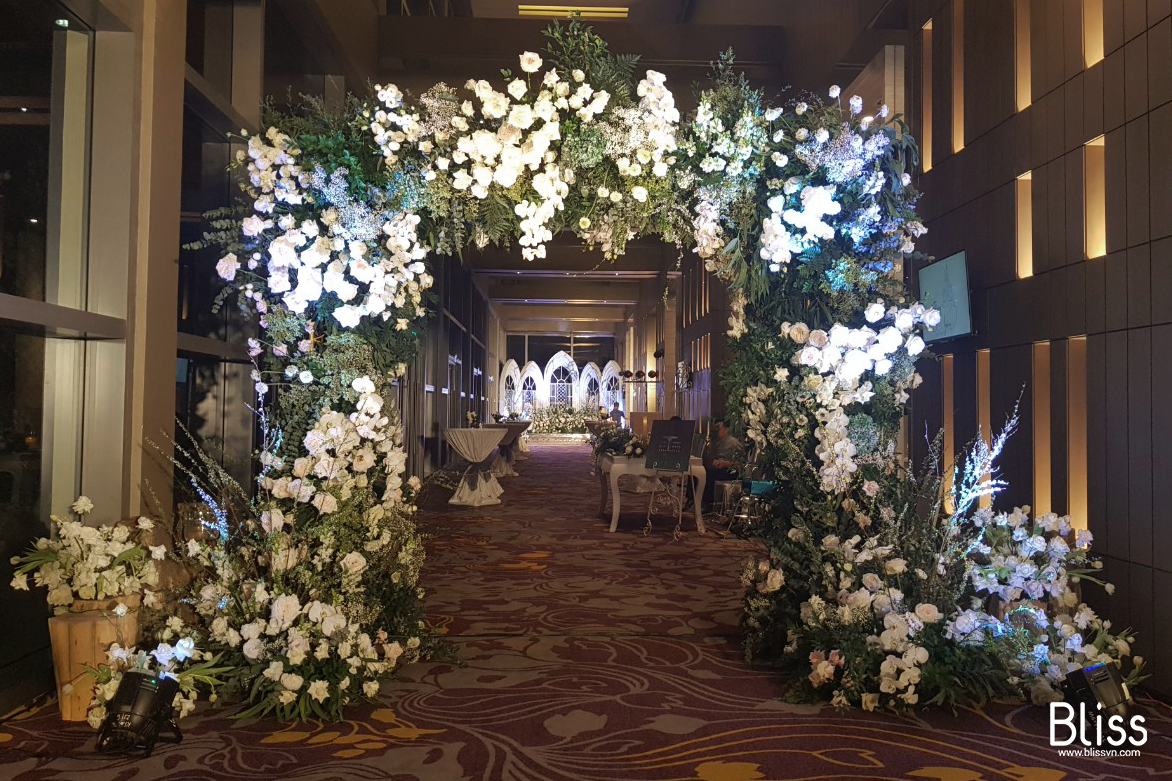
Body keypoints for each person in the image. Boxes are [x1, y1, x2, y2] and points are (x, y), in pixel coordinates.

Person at [702, 416, 742, 509]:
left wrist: (725, 463)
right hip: (717, 467)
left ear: (726, 429)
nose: (716, 431)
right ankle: (694, 499)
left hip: (729, 470)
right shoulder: (715, 442)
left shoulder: (733, 443)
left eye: (719, 428)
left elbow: (741, 463)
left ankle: (709, 504)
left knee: (711, 474)